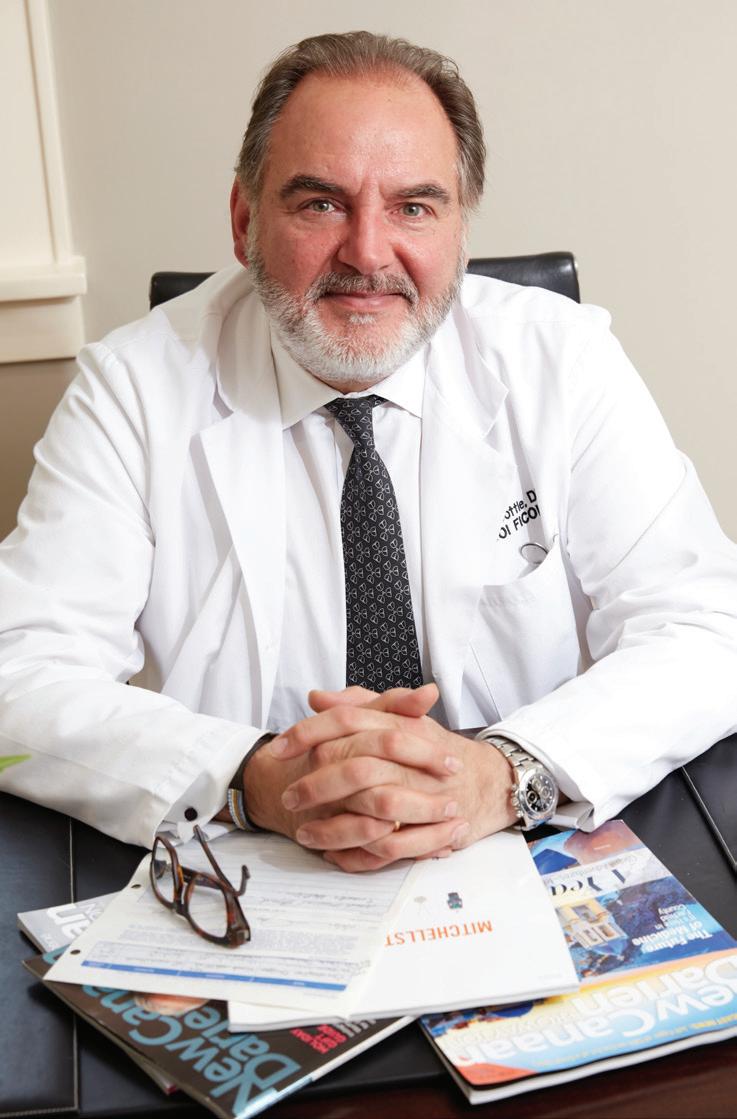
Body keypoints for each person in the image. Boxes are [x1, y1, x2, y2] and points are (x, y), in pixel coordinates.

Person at [1, 32, 736, 869]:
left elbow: (707, 624)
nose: (367, 253)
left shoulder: (563, 360)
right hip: (250, 858)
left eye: (413, 207)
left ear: (458, 231)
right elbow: (19, 671)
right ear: (244, 221)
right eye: (320, 204)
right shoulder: (130, 387)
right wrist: (250, 776)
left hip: (518, 839)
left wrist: (506, 772)